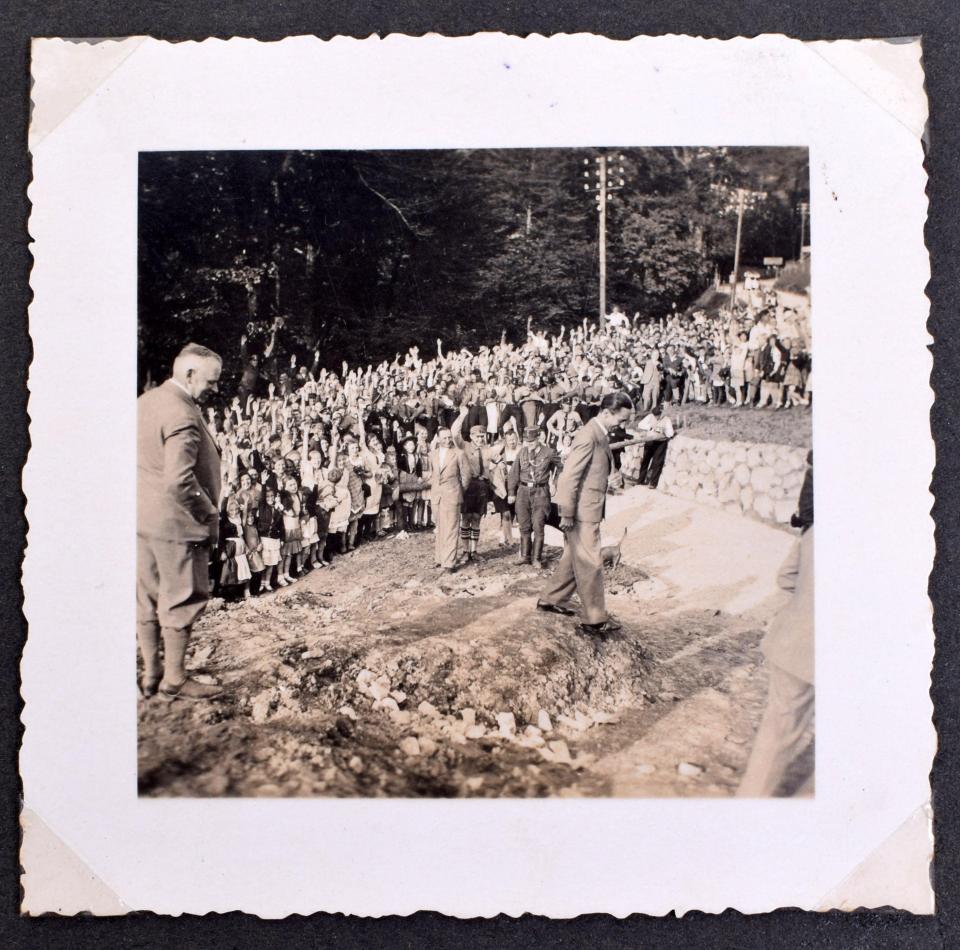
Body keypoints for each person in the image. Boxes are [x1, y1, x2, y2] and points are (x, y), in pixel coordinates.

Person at [136, 343, 224, 701]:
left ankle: (151, 675)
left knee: (146, 598)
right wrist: (209, 512)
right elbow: (179, 479)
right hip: (177, 523)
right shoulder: (183, 413)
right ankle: (174, 679)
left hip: (142, 518)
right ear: (189, 374)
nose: (215, 389)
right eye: (211, 381)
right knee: (180, 598)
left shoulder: (146, 402)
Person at [738, 452, 814, 796]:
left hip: (790, 640)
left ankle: (750, 801)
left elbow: (786, 578)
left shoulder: (816, 532)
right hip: (818, 652)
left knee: (777, 730)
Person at [536, 391, 634, 636]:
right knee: (591, 562)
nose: (623, 425)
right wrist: (566, 514)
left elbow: (591, 473)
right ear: (605, 412)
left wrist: (609, 481)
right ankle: (594, 618)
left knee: (573, 558)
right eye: (621, 420)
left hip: (588, 509)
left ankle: (551, 598)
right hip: (580, 512)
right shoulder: (588, 436)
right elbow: (569, 478)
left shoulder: (599, 434)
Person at [507, 426, 560, 570]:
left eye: (532, 441)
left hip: (540, 492)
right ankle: (525, 556)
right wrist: (511, 492)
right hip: (523, 492)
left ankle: (536, 558)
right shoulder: (522, 452)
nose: (529, 444)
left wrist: (555, 483)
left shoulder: (549, 452)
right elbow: (513, 473)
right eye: (527, 441)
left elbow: (561, 467)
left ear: (538, 439)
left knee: (538, 525)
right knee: (524, 526)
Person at [429, 426, 472, 573]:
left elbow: (466, 476)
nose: (447, 440)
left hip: (452, 495)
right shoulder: (433, 454)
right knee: (440, 528)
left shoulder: (459, 454)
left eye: (449, 437)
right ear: (438, 439)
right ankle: (440, 558)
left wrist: (458, 491)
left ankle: (449, 563)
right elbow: (434, 475)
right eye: (444, 438)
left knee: (452, 529)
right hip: (437, 496)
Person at [635, 404, 675, 489]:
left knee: (657, 462)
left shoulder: (666, 419)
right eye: (655, 415)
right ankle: (640, 480)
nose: (656, 417)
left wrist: (663, 431)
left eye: (657, 415)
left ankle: (653, 483)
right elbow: (640, 424)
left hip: (660, 443)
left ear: (660, 413)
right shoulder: (650, 416)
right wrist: (650, 427)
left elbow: (670, 433)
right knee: (645, 461)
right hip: (650, 441)